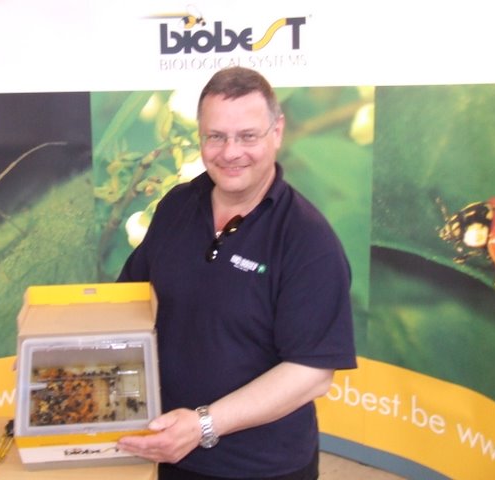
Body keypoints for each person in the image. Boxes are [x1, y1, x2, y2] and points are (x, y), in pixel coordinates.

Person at [116, 66, 356, 480]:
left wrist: (203, 425)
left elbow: (312, 373)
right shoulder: (177, 206)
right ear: (200, 136)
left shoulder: (307, 239)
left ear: (276, 132)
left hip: (264, 467)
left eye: (247, 136)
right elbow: (130, 296)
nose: (230, 152)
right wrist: (62, 350)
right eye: (216, 136)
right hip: (172, 450)